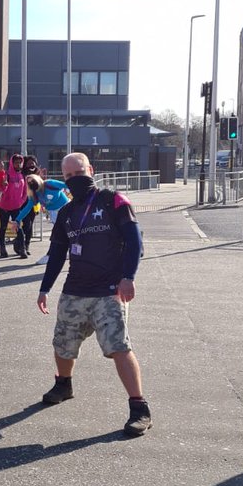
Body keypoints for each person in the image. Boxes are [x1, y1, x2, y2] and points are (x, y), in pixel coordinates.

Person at [36, 152, 151, 437]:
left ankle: (139, 408)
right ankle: (64, 384)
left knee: (118, 346)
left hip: (109, 291)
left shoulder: (113, 200)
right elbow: (56, 255)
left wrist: (128, 277)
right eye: (69, 176)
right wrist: (44, 288)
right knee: (63, 342)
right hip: (75, 289)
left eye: (79, 172)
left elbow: (135, 241)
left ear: (91, 169)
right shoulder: (66, 213)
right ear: (63, 179)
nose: (76, 179)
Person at [0, 152, 28, 258]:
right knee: (4, 227)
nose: (18, 165)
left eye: (20, 163)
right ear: (12, 163)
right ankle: (2, 248)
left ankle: (22, 249)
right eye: (16, 163)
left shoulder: (22, 175)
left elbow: (25, 191)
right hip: (4, 206)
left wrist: (21, 202)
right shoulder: (7, 175)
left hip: (16, 206)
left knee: (18, 227)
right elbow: (1, 190)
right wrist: (4, 185)